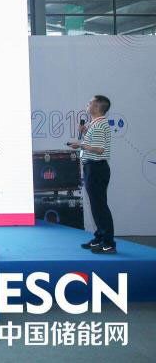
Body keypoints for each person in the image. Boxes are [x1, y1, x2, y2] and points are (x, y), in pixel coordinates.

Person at [69, 95, 115, 254]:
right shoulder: (95, 124)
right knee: (97, 206)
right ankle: (99, 238)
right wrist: (85, 132)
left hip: (96, 168)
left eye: (90, 102)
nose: (87, 104)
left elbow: (100, 149)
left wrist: (80, 144)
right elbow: (95, 144)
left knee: (100, 207)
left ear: (96, 107)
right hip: (93, 168)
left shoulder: (100, 124)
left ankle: (108, 243)